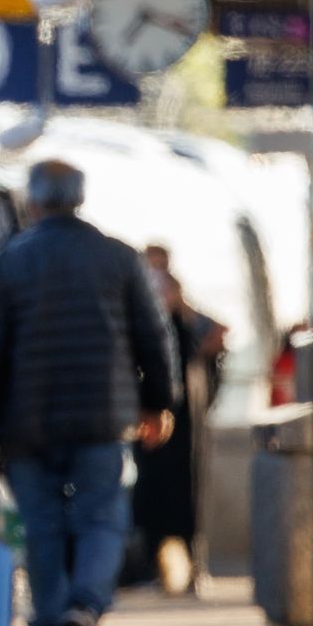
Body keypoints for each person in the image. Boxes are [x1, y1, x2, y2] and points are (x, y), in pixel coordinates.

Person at [0, 161, 178, 626]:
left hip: (25, 421)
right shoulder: (120, 259)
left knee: (41, 525)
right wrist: (159, 402)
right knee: (101, 519)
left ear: (32, 202)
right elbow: (154, 336)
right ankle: (84, 607)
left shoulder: (2, 265)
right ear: (79, 199)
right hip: (102, 416)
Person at [126, 247, 226, 595]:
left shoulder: (186, 322)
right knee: (151, 494)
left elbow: (217, 334)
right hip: (152, 422)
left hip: (183, 425)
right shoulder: (140, 315)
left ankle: (192, 566)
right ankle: (153, 564)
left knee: (187, 494)